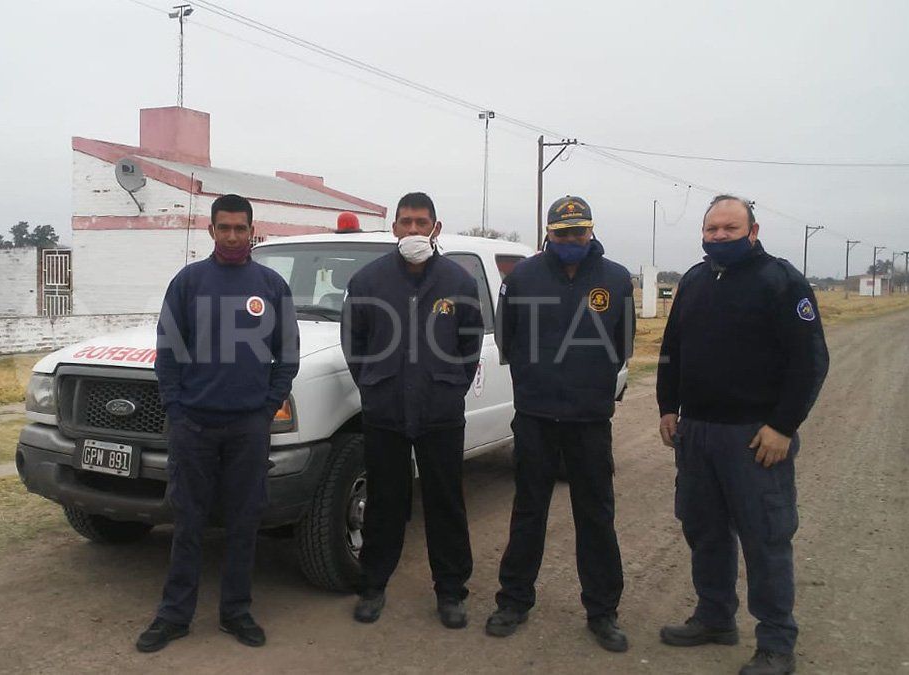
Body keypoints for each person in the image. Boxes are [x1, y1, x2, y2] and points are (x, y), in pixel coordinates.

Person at [656, 195, 829, 675]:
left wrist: (783, 427)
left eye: (729, 228)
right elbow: (672, 349)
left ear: (753, 231)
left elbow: (810, 361)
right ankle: (714, 618)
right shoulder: (694, 280)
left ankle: (776, 643)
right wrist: (668, 407)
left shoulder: (781, 281)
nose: (718, 237)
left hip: (755, 439)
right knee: (704, 530)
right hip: (698, 434)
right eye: (711, 229)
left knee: (765, 538)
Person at [137, 193, 299, 652]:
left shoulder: (270, 286)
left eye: (240, 228)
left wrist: (265, 408)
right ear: (210, 231)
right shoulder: (188, 283)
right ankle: (174, 615)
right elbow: (167, 353)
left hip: (249, 426)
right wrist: (176, 407)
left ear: (253, 230)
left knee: (244, 522)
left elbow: (287, 354)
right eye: (223, 227)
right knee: (187, 521)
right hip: (194, 426)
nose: (232, 236)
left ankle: (236, 612)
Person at [484, 195, 634, 652]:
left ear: (592, 231)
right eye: (563, 233)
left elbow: (622, 343)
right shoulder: (523, 277)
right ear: (548, 233)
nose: (572, 240)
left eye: (579, 232)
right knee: (529, 512)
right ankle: (513, 600)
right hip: (535, 418)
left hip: (589, 420)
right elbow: (507, 339)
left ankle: (603, 612)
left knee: (596, 516)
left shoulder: (615, 279)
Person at [342, 191, 484, 629]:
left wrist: (449, 389)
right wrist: (372, 385)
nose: (413, 230)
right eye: (405, 222)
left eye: (421, 223)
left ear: (436, 228)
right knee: (385, 502)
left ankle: (450, 592)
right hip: (385, 411)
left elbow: (469, 345)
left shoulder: (459, 283)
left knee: (445, 502)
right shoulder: (368, 282)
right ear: (394, 228)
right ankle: (372, 586)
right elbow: (355, 344)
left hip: (439, 413)